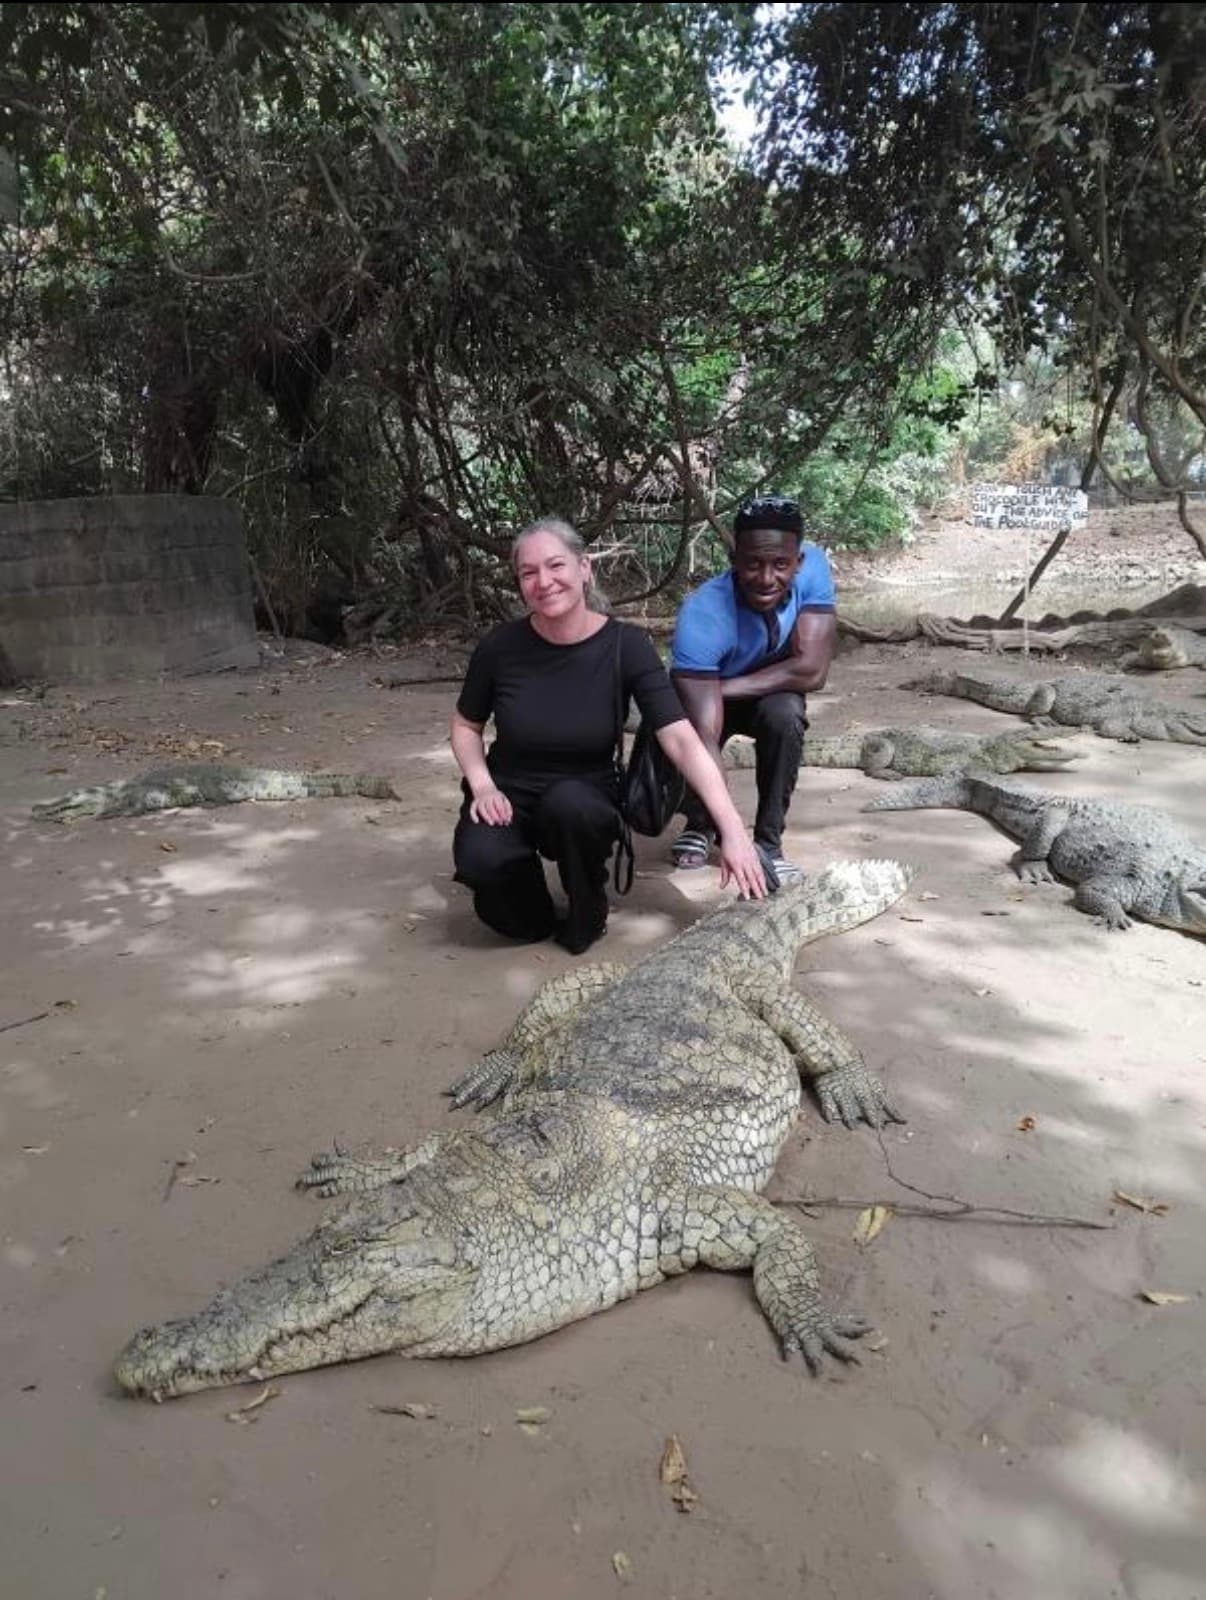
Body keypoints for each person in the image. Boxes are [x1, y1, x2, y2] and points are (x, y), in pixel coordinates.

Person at [450, 517, 768, 955]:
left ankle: (588, 900)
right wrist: (483, 786)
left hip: (585, 796)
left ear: (584, 569)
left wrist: (732, 828)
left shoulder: (626, 646)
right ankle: (530, 899)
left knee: (571, 807)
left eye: (556, 565)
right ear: (520, 583)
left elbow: (681, 739)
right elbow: (466, 727)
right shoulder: (499, 647)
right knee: (493, 882)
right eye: (529, 572)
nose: (544, 581)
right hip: (508, 793)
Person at [668, 494, 837, 885]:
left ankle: (769, 844)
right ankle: (700, 823)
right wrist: (732, 833)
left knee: (786, 715)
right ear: (733, 558)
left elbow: (811, 671)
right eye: (753, 564)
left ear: (798, 562)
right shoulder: (702, 615)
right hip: (703, 687)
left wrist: (725, 687)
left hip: (745, 687)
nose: (766, 578)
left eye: (780, 565)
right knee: (695, 729)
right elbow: (705, 737)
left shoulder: (813, 570)